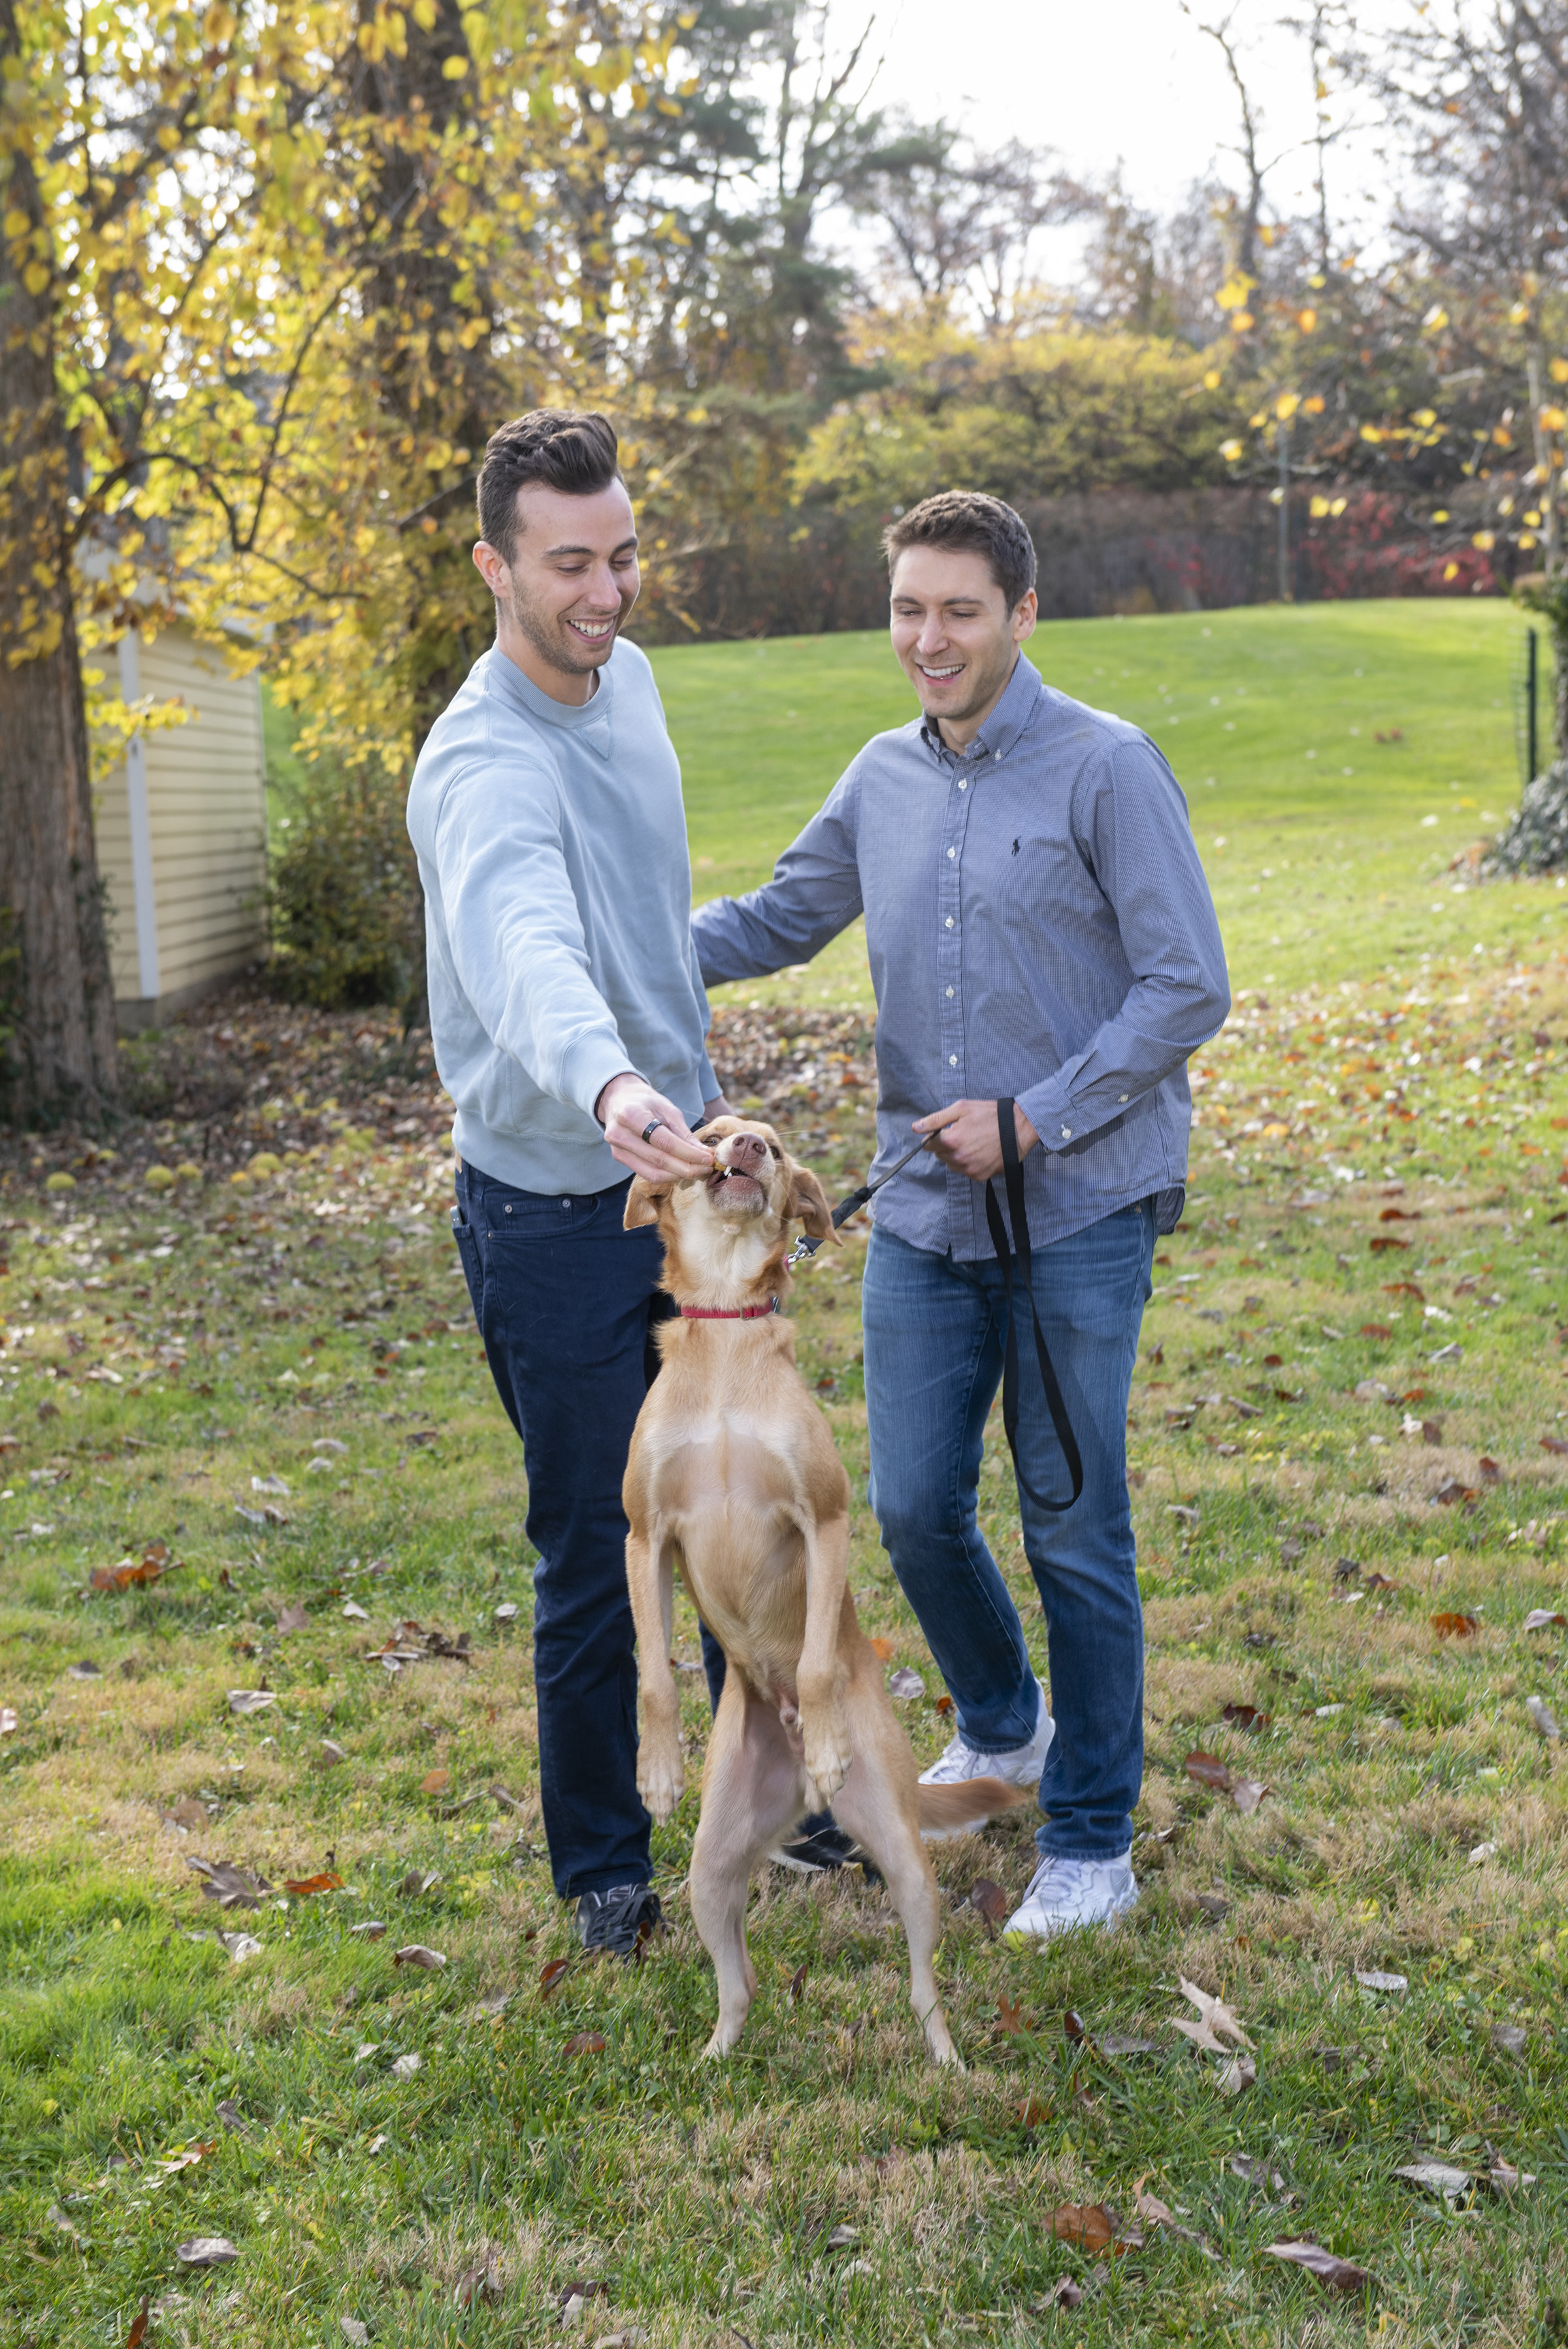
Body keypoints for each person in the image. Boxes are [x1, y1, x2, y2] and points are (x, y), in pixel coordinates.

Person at [691, 491, 1230, 1941]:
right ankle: (1004, 1721)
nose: (929, 639)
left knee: (1073, 1525)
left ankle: (1094, 1840)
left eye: (960, 611)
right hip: (928, 1213)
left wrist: (1035, 1113)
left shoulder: (1108, 769)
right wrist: (616, 955)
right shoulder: (881, 776)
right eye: (908, 609)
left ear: (1022, 615)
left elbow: (1189, 984)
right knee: (915, 1509)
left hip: (1082, 1209)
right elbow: (776, 918)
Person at [406, 408, 732, 1957]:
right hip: (552, 1211)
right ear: (494, 567)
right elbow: (524, 946)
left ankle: (784, 1800)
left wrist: (679, 1091)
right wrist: (608, 1082)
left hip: (686, 1181)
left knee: (731, 1512)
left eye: (622, 555)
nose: (605, 592)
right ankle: (606, 1868)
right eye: (568, 566)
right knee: (607, 1545)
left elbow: (637, 913)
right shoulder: (480, 763)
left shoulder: (633, 680)